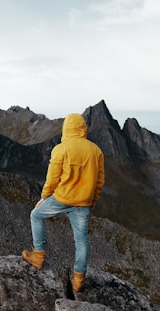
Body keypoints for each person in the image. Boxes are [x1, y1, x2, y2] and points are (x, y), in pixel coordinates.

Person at [22, 112, 105, 292]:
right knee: (81, 240)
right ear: (83, 128)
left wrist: (44, 197)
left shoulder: (61, 149)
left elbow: (52, 178)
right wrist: (93, 200)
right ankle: (78, 279)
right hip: (84, 202)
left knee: (36, 215)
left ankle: (38, 256)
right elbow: (99, 181)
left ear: (66, 128)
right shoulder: (96, 151)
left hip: (62, 198)